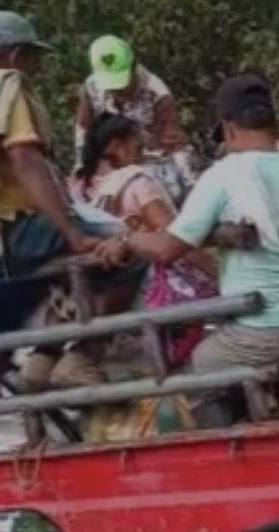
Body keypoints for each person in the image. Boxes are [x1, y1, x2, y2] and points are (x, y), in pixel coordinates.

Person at [97, 74, 279, 418]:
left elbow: (167, 247)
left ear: (228, 129)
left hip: (265, 327)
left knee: (200, 370)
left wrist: (126, 237)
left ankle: (238, 458)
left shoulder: (224, 176)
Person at [0, 11, 145, 386]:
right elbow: (24, 159)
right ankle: (83, 356)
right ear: (15, 57)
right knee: (127, 246)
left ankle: (42, 363)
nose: (35, 68)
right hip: (5, 231)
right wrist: (73, 231)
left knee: (68, 267)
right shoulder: (6, 85)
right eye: (32, 58)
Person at [74, 114, 217, 368]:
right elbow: (172, 237)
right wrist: (216, 271)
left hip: (108, 300)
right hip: (156, 293)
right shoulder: (136, 180)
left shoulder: (77, 188)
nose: (141, 152)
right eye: (136, 144)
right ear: (115, 146)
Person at [74, 35, 192, 187]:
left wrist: (187, 183)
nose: (116, 89)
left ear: (133, 66)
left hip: (149, 167)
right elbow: (83, 129)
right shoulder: (91, 87)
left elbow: (175, 146)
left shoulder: (157, 95)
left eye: (121, 83)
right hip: (106, 166)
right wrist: (81, 167)